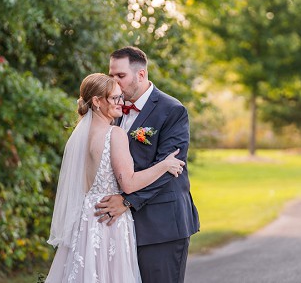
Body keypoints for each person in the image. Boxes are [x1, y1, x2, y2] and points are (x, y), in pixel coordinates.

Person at [45, 73, 185, 283]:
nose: (122, 102)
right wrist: (164, 165)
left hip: (86, 219)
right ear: (97, 101)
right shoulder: (114, 134)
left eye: (121, 97)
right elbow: (128, 183)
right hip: (109, 220)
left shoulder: (78, 137)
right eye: (115, 98)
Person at [95, 46, 200, 283]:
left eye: (120, 76)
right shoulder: (113, 110)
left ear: (141, 75)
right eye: (111, 75)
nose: (113, 82)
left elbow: (169, 168)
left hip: (162, 225)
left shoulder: (172, 110)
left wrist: (127, 201)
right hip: (120, 227)